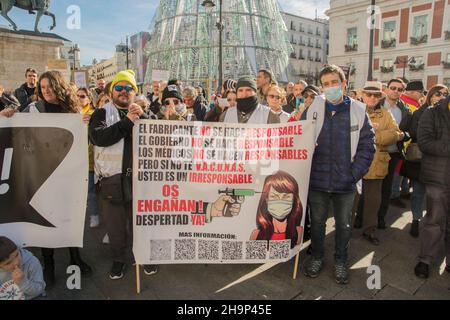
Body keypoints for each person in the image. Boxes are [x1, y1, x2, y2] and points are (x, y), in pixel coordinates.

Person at [301, 65, 375, 284]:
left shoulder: (359, 110)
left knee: (343, 225)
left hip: (345, 183)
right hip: (317, 181)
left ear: (344, 84)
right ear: (321, 87)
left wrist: (353, 175)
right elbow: (300, 136)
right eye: (326, 84)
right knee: (317, 223)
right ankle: (317, 257)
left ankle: (341, 261)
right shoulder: (313, 107)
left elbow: (367, 146)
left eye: (335, 82)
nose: (330, 87)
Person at [20, 71, 93, 287]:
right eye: (42, 87)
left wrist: (86, 123)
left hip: (68, 175)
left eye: (50, 86)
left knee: (70, 216)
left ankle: (75, 258)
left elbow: (84, 141)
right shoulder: (33, 109)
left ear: (58, 86)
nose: (46, 90)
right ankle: (48, 264)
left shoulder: (73, 110)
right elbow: (17, 128)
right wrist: (8, 114)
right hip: (43, 175)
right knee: (46, 219)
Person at [89, 70, 158, 279]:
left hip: (139, 180)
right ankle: (119, 260)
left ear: (135, 93)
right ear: (112, 91)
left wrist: (143, 117)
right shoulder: (101, 113)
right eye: (119, 87)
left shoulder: (144, 113)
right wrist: (127, 121)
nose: (124, 92)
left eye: (129, 88)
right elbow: (99, 137)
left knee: (140, 223)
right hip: (111, 181)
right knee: (116, 226)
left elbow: (157, 137)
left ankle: (142, 257)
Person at [354, 81, 402, 245]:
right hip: (354, 162)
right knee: (352, 198)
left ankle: (370, 230)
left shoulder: (386, 114)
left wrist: (375, 133)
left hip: (376, 163)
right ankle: (350, 224)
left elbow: (395, 134)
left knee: (374, 200)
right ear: (362, 95)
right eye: (369, 94)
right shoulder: (353, 111)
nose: (372, 98)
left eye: (376, 95)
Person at [402, 85, 449, 238]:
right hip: (420, 161)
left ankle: (433, 223)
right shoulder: (420, 112)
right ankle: (416, 220)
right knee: (418, 192)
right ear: (430, 96)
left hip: (440, 166)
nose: (441, 96)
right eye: (437, 94)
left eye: (445, 94)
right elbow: (415, 133)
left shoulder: (446, 114)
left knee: (435, 197)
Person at [414, 92, 450, 279]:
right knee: (435, 220)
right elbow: (424, 142)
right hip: (438, 177)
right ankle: (426, 260)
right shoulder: (433, 112)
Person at [375, 78, 412, 228]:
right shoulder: (375, 104)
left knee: (386, 188)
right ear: (387, 89)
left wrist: (403, 135)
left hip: (393, 154)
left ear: (402, 92)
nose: (396, 91)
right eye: (393, 88)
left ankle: (381, 217)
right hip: (374, 153)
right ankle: (362, 217)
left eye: (399, 89)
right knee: (369, 187)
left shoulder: (405, 110)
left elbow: (410, 131)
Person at [250, 171, 303, 248]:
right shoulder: (256, 235)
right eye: (274, 197)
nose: (280, 201)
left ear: (294, 200)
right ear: (266, 199)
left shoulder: (298, 232)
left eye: (286, 197)